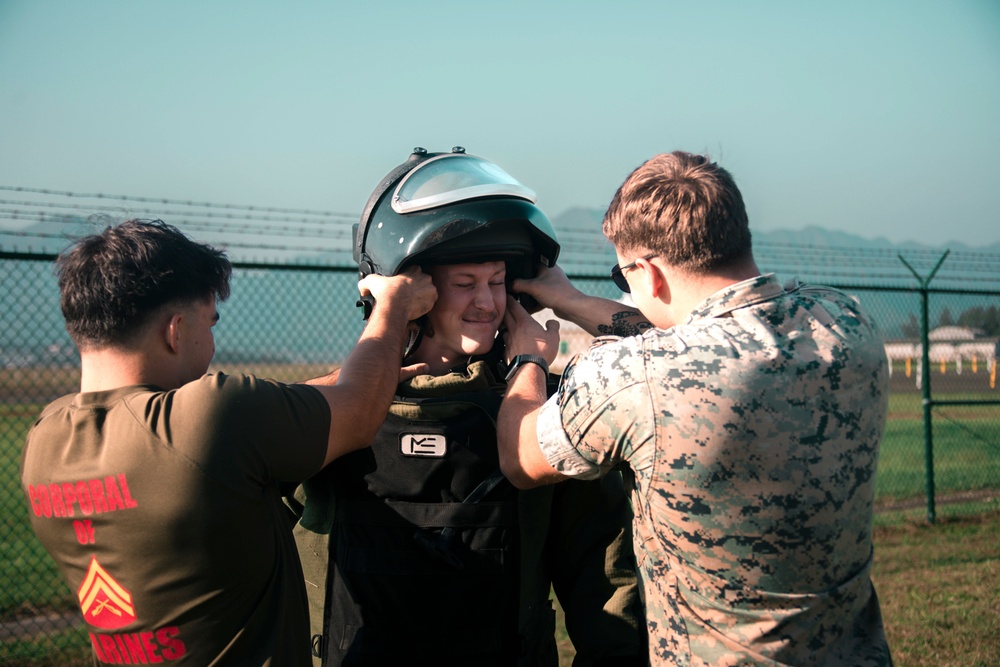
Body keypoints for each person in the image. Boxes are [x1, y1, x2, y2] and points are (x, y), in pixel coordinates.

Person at [497, 151, 894, 666]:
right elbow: (704, 338)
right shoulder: (844, 322)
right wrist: (570, 299)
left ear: (650, 274)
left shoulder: (634, 376)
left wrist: (526, 358)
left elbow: (520, 456)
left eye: (625, 278)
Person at [20, 218, 436, 666]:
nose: (212, 342)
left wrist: (344, 382)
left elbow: (239, 428)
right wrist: (392, 306)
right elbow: (356, 413)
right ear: (175, 330)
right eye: (210, 323)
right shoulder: (213, 417)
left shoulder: (46, 437)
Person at [290, 147, 647, 666]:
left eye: (498, 281)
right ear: (411, 291)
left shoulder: (545, 415)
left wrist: (562, 305)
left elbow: (606, 582)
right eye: (464, 284)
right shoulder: (334, 413)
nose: (487, 302)